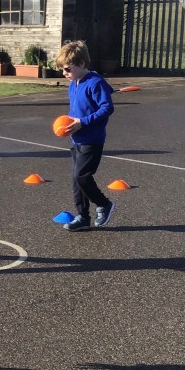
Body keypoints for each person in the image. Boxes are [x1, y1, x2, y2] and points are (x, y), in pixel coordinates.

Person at [55, 40, 115, 232]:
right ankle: (83, 217)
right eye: (62, 70)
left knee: (82, 176)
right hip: (77, 139)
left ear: (81, 63)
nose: (64, 73)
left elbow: (107, 108)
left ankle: (104, 204)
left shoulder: (95, 82)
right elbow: (77, 109)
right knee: (76, 180)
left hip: (92, 140)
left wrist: (83, 122)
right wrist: (68, 123)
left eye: (67, 69)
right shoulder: (73, 84)